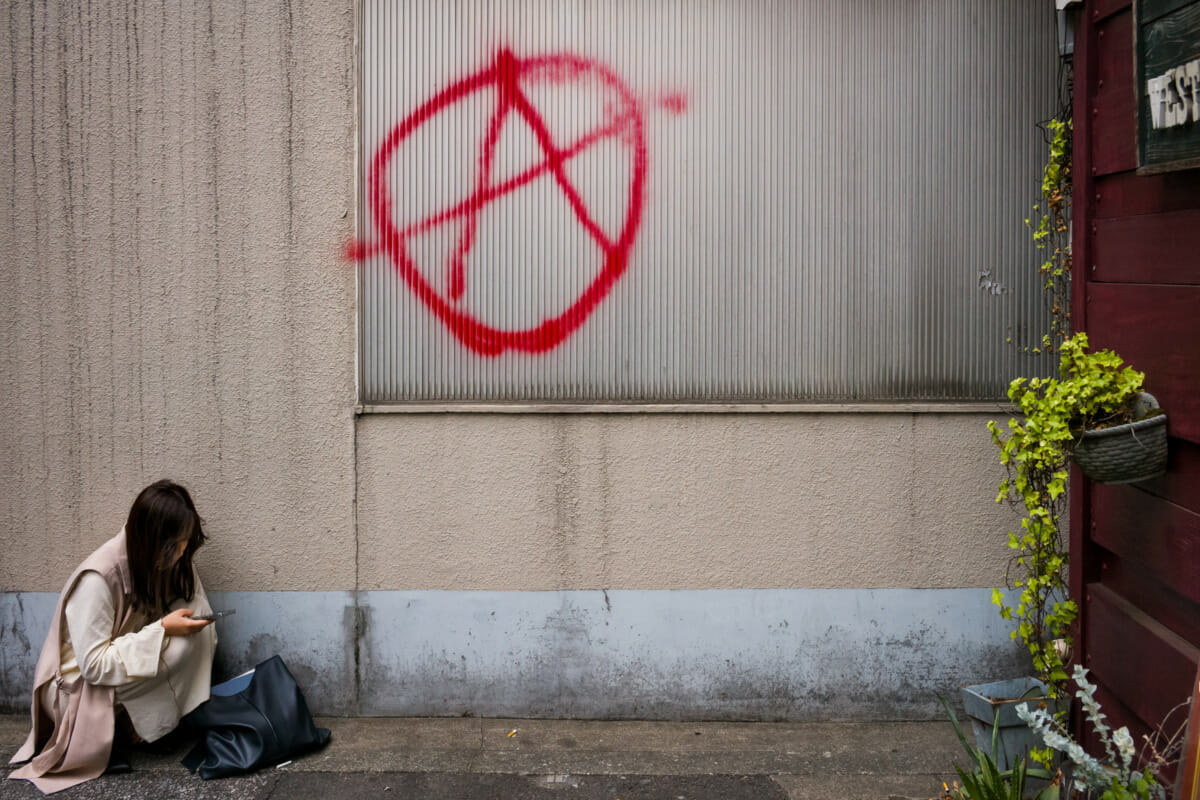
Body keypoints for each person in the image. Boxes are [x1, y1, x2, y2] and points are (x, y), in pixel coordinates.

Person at [8, 480, 218, 794]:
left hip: (112, 672)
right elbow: (93, 665)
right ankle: (128, 726)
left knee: (199, 632)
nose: (183, 551)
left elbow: (195, 601)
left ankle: (144, 724)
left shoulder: (164, 556)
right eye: (177, 544)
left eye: (186, 542)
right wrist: (161, 630)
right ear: (154, 540)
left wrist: (182, 622)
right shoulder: (98, 578)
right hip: (74, 690)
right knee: (171, 650)